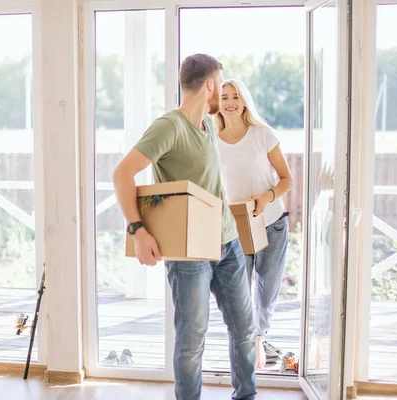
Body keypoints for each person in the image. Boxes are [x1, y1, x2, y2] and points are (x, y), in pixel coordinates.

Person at [113, 54, 256, 400]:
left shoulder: (208, 126)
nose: (222, 92)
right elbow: (122, 174)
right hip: (191, 254)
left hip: (228, 244)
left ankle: (246, 396)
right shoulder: (169, 127)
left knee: (245, 329)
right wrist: (138, 229)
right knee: (192, 339)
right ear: (210, 84)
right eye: (220, 84)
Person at [214, 79, 294, 369]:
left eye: (235, 96)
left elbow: (287, 179)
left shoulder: (262, 134)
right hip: (236, 225)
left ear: (244, 101)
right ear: (218, 103)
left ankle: (258, 340)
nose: (230, 101)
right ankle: (245, 342)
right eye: (224, 97)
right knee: (238, 291)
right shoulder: (212, 138)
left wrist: (265, 197)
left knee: (266, 289)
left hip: (271, 222)